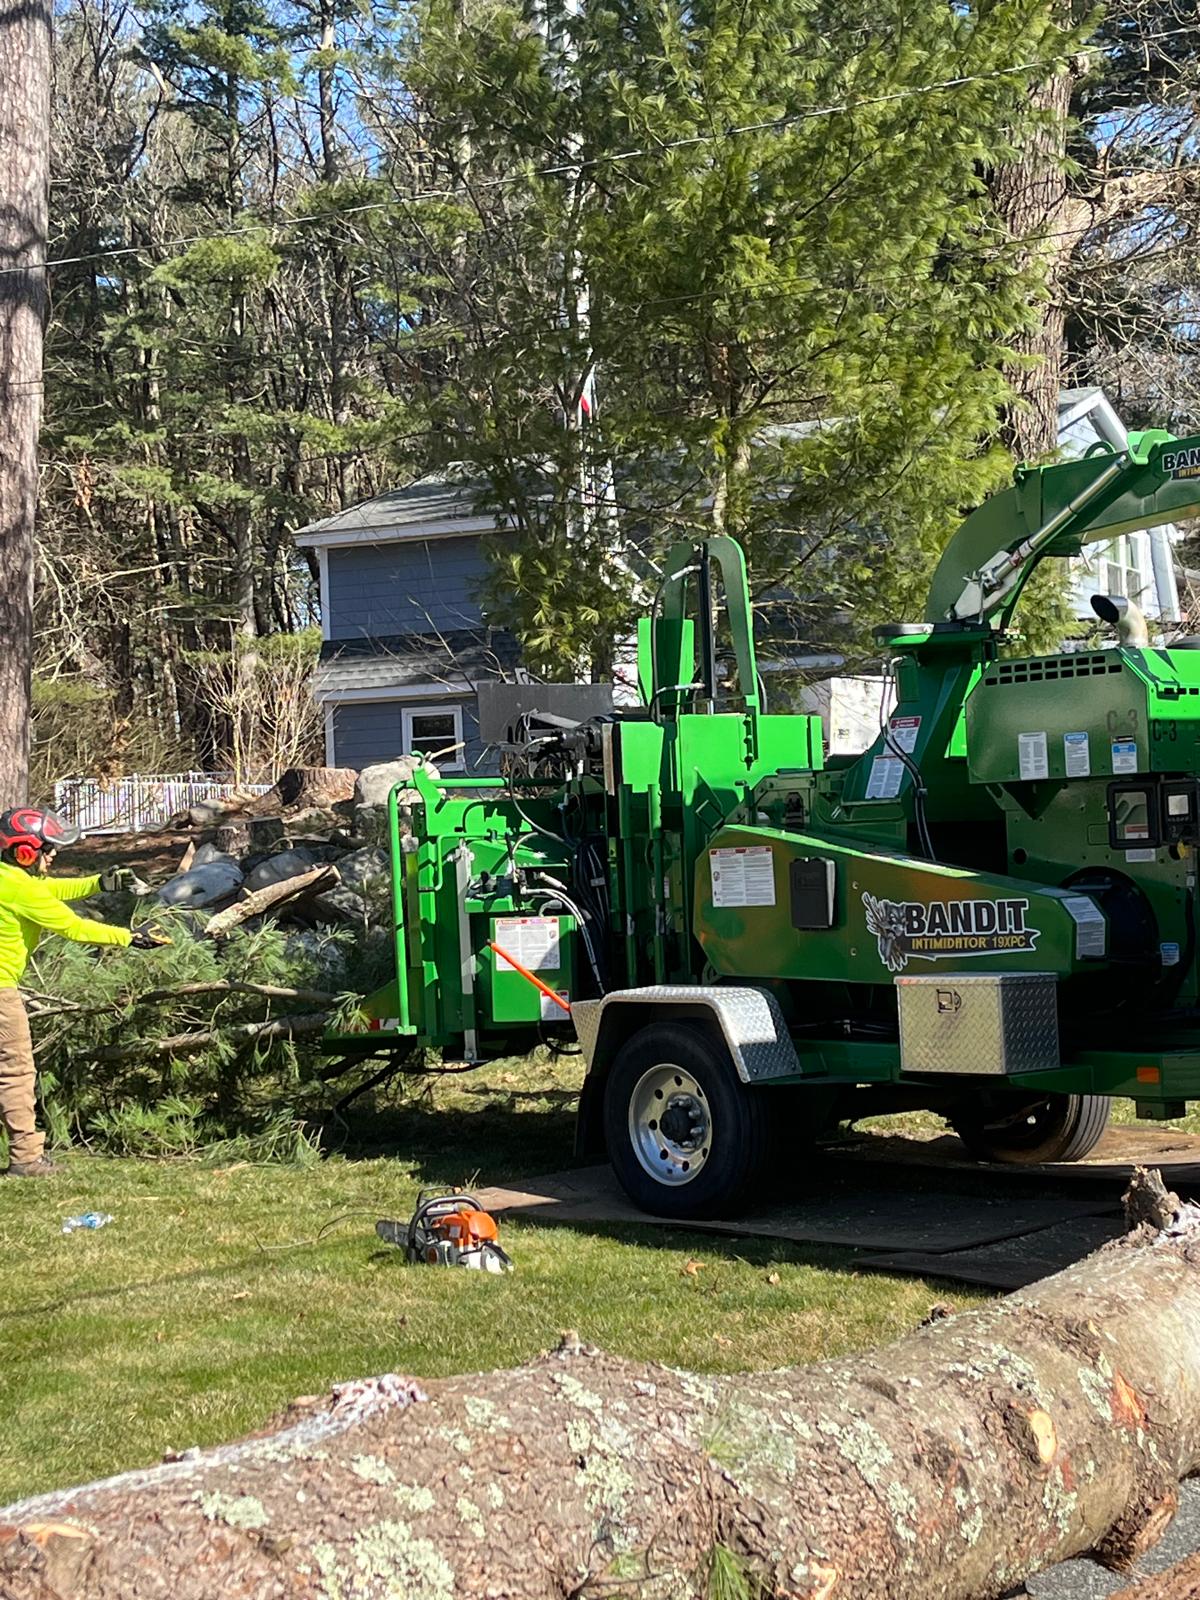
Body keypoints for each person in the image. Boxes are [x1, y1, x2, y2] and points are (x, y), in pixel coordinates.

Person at [0, 808, 159, 1178]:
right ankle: (26, 1158)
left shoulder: (10, 879)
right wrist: (129, 937)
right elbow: (74, 928)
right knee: (16, 1071)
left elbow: (51, 889)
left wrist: (99, 883)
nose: (54, 854)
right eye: (48, 848)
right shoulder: (20, 888)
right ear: (25, 852)